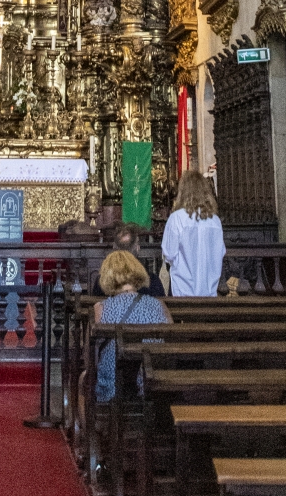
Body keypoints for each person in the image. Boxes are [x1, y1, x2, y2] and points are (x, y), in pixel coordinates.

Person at [94, 249, 172, 403]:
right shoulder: (159, 305)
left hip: (115, 384)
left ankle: (91, 425)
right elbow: (170, 340)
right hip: (152, 381)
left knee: (84, 379)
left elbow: (95, 350)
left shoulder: (101, 308)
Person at [161, 168, 225, 297]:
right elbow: (220, 252)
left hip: (182, 290)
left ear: (183, 192)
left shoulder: (177, 218)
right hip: (210, 291)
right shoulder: (215, 221)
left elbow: (169, 254)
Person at [91, 224, 164, 297]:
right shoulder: (151, 281)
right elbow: (160, 305)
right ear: (137, 248)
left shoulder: (102, 281)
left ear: (114, 248)